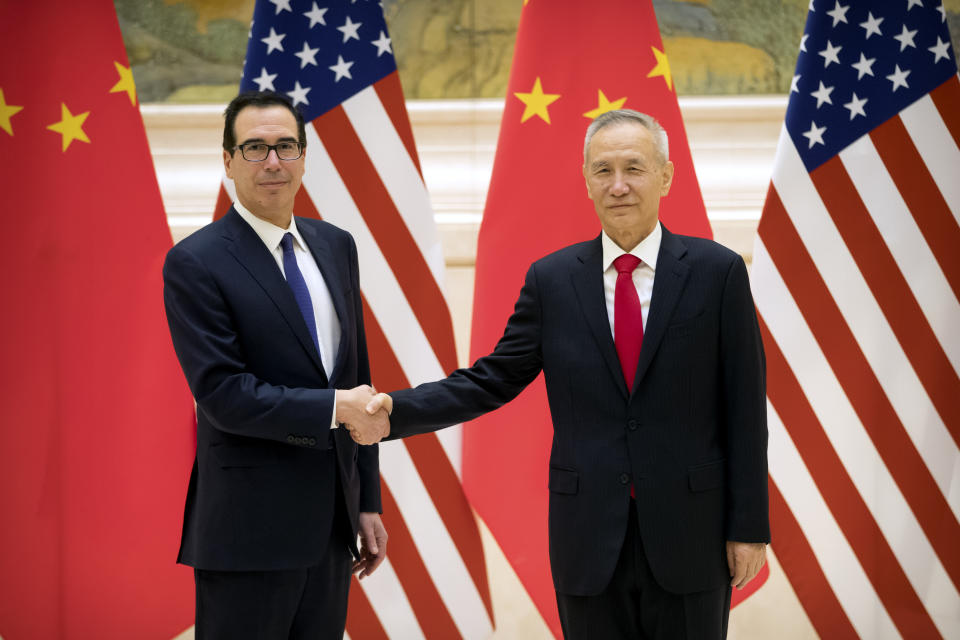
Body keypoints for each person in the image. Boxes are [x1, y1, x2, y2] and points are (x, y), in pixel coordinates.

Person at [347, 109, 769, 639]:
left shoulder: (718, 273)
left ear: (666, 176)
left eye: (634, 168)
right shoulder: (552, 281)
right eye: (603, 170)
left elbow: (746, 410)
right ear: (587, 181)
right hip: (588, 537)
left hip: (692, 533)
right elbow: (491, 379)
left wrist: (749, 528)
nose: (618, 185)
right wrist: (395, 412)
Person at [163, 91, 390, 639]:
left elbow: (355, 376)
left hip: (333, 531)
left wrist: (366, 501)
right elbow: (224, 395)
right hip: (248, 535)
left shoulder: (336, 246)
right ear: (228, 162)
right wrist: (338, 407)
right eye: (255, 148)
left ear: (304, 157)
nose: (272, 162)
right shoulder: (195, 262)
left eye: (286, 146)